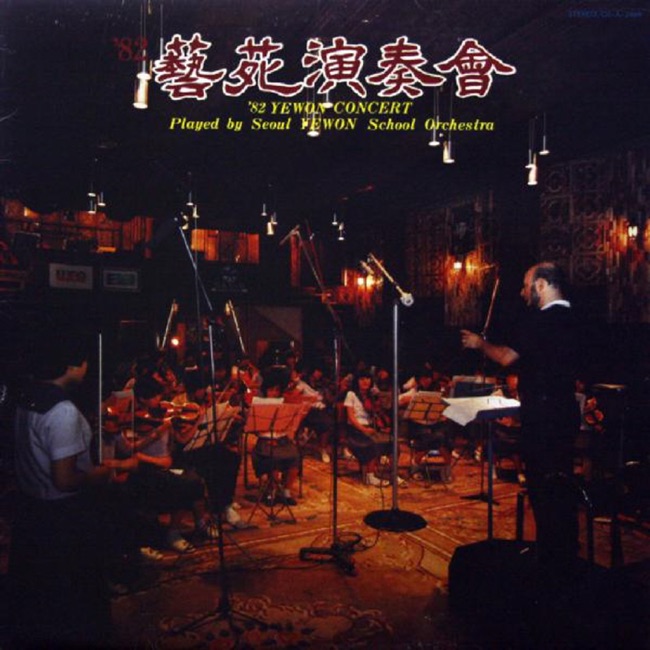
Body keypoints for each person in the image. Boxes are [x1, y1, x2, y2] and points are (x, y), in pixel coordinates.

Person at [9, 330, 139, 647]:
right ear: (73, 365)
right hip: (62, 516)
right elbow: (65, 479)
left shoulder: (25, 398)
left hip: (32, 510)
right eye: (85, 362)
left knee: (41, 595)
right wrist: (105, 472)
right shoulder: (63, 411)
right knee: (74, 597)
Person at [461, 261, 582, 573]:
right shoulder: (576, 318)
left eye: (527, 285)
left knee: (542, 490)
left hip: (541, 416)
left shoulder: (539, 321)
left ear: (541, 285)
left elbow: (506, 357)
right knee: (561, 487)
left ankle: (550, 561)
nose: (522, 291)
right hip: (565, 413)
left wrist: (479, 343)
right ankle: (565, 556)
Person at [344, 369, 393, 487]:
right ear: (357, 381)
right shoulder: (351, 394)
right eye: (362, 379)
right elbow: (351, 417)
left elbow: (377, 413)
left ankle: (392, 473)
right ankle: (370, 476)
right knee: (373, 442)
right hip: (356, 429)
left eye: (368, 379)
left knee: (392, 441)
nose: (365, 381)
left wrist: (382, 426)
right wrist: (363, 429)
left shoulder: (371, 395)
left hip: (370, 427)